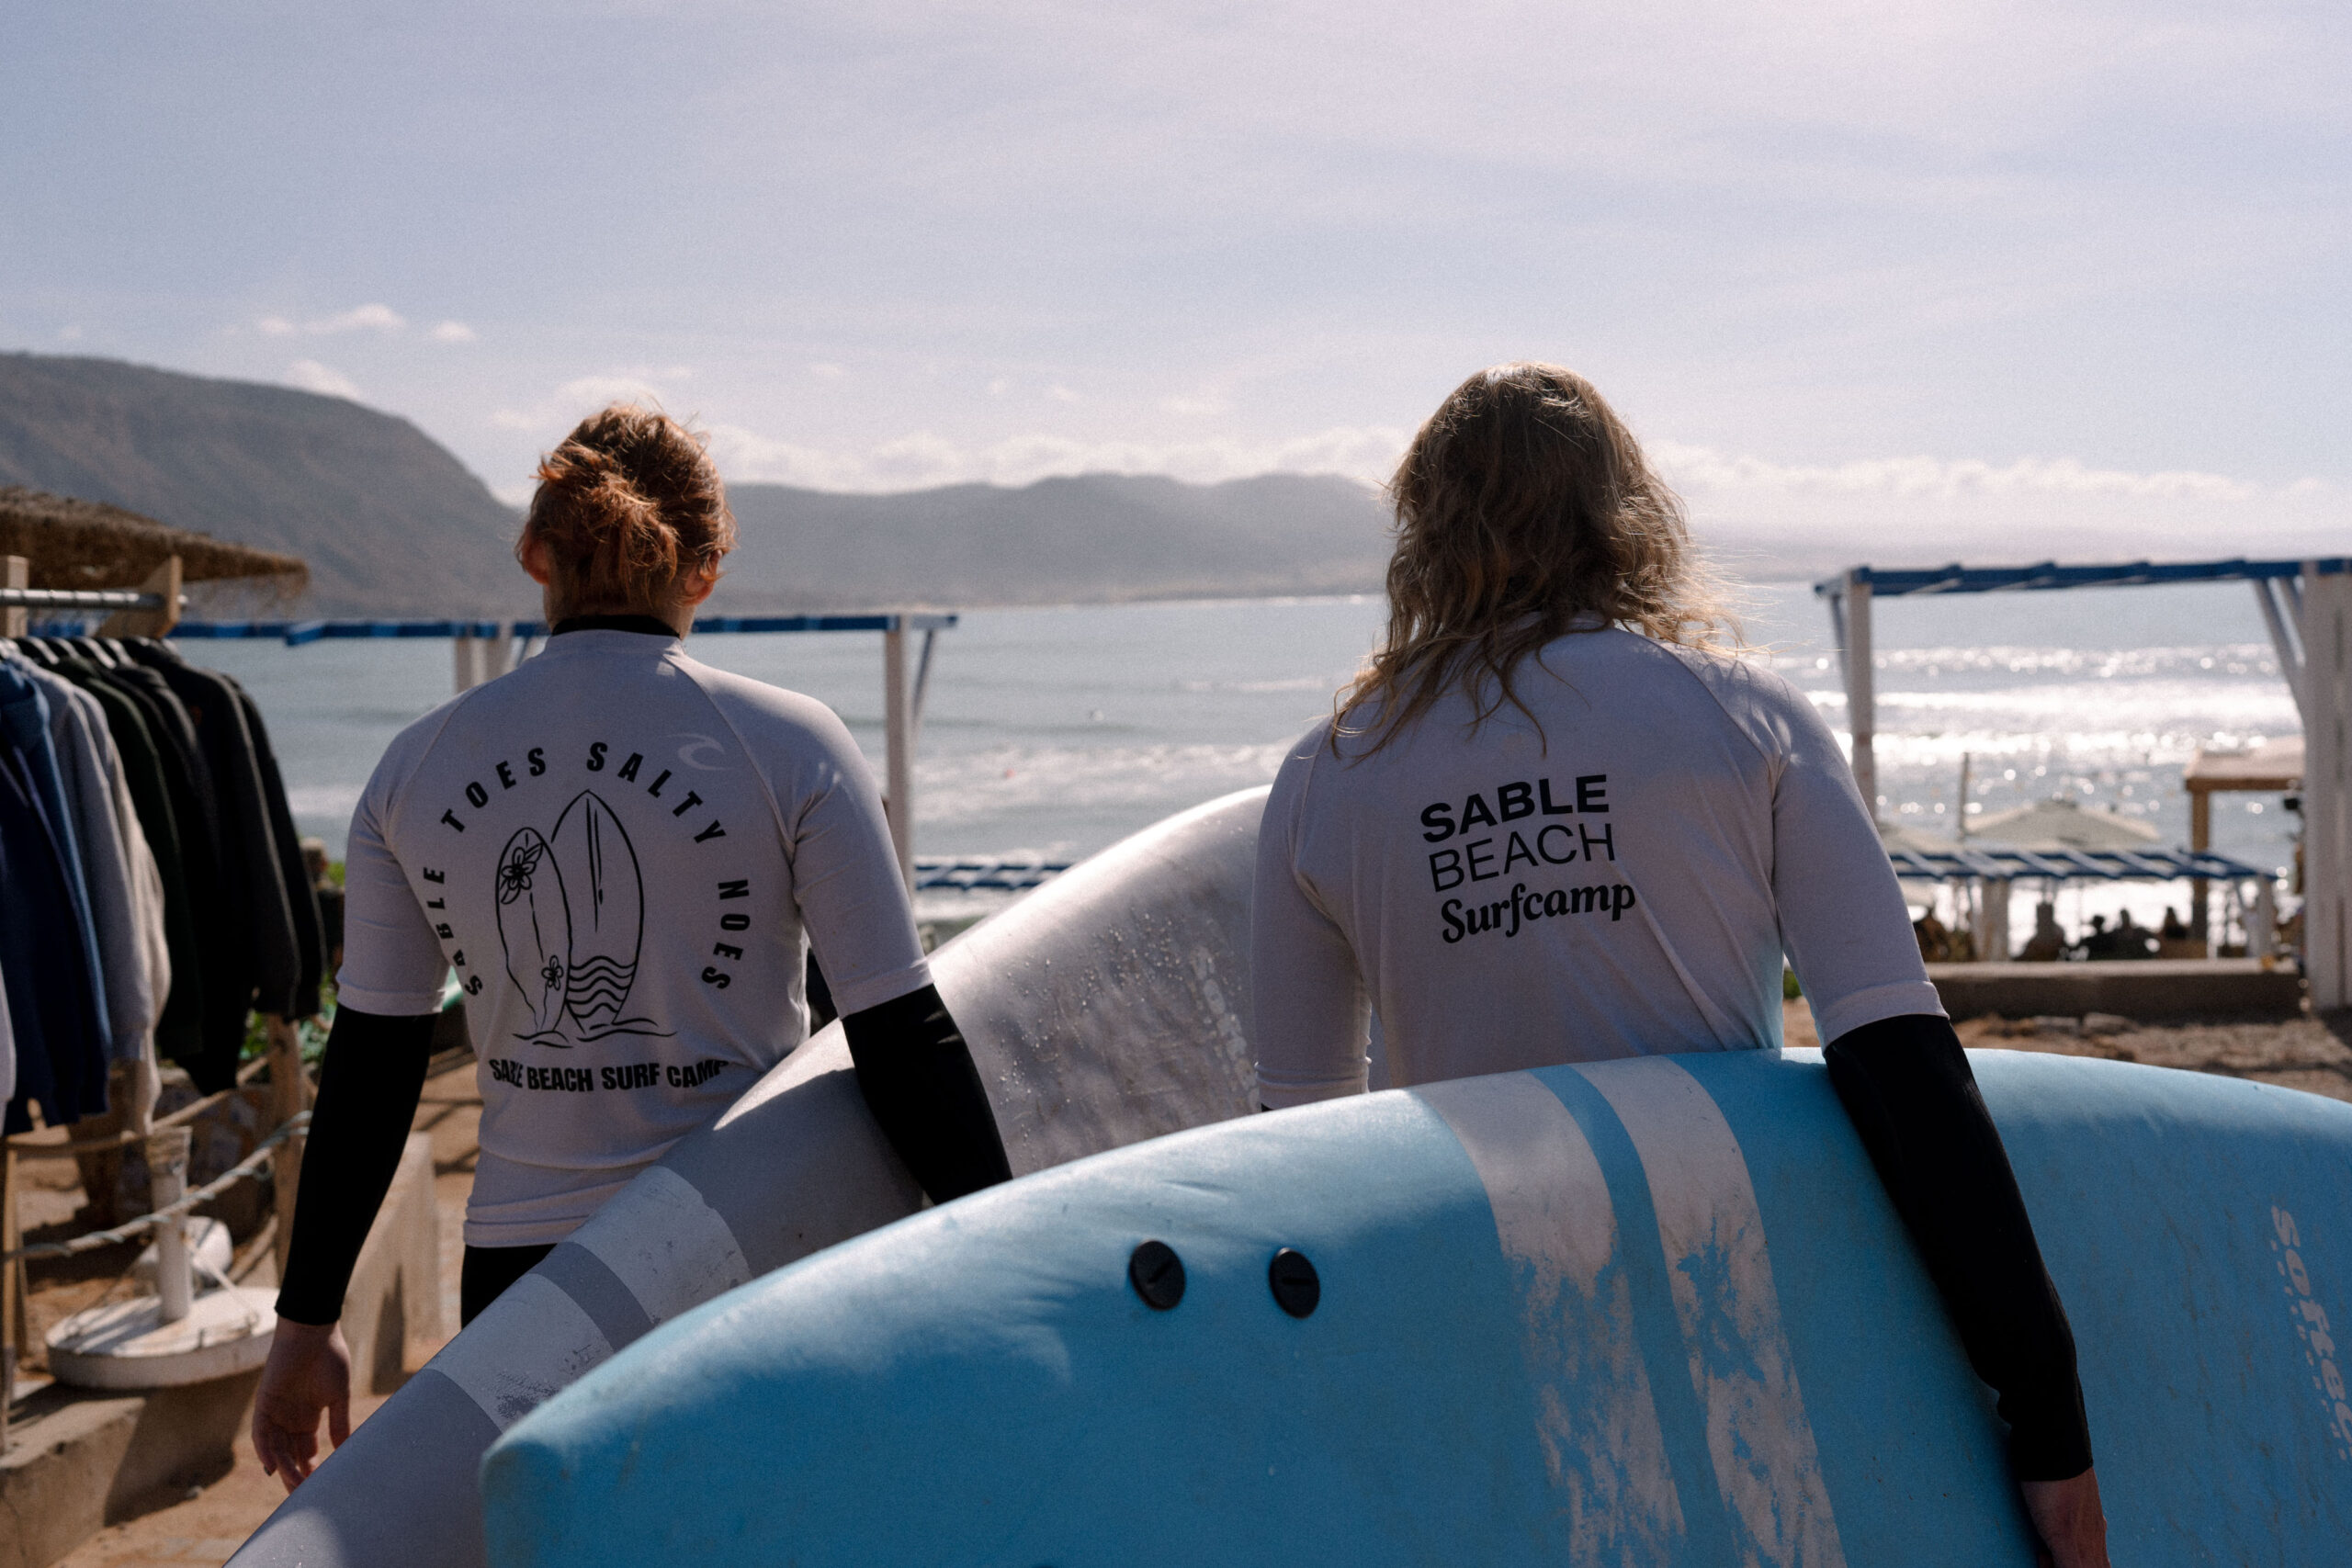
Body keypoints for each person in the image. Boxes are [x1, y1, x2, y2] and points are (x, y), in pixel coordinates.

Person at [1251, 365, 2109, 1567]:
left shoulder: (1325, 778)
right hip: (1745, 1326)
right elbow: (1903, 1069)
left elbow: (1292, 1158)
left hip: (1476, 1341)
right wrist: (2052, 1434)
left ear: (1423, 534)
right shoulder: (1743, 716)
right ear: (1627, 515)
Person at [252, 406, 1011, 1490]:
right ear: (704, 571)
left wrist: (305, 1319)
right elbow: (901, 1036)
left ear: (534, 558)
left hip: (521, 1280)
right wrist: (1004, 1244)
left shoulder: (414, 769)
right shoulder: (794, 741)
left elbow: (373, 1068)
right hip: (747, 1235)